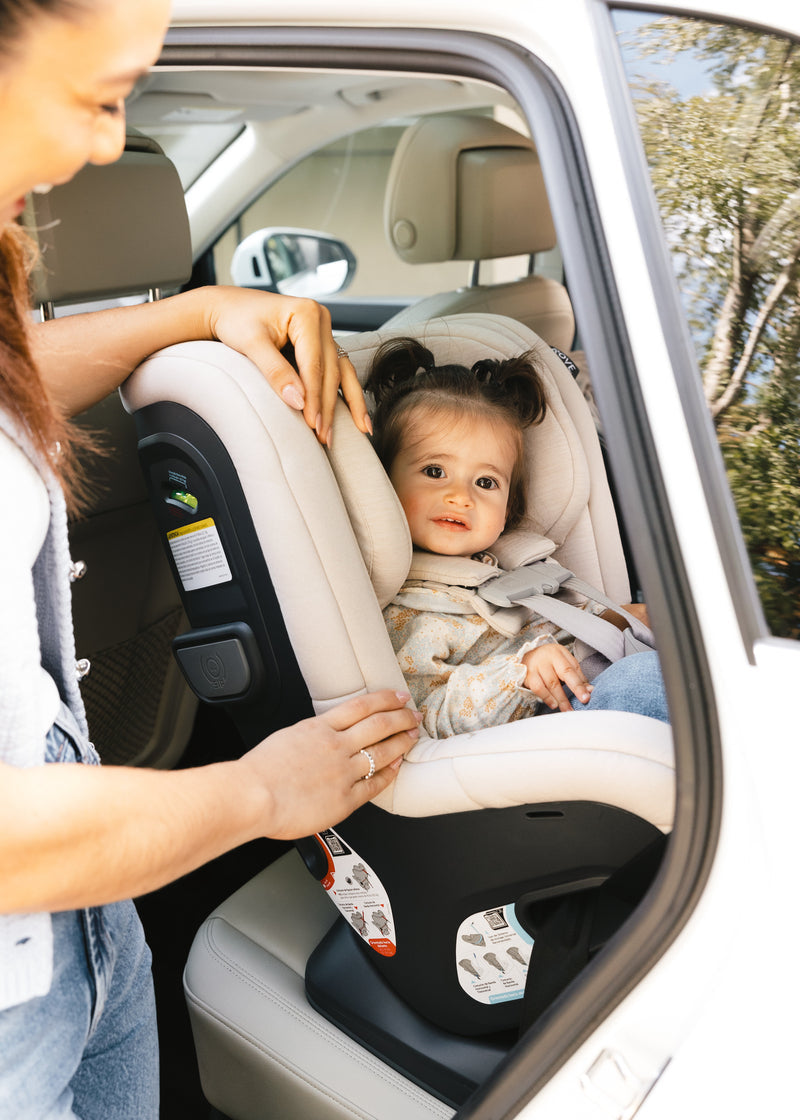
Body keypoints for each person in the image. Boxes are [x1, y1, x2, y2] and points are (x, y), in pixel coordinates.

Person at [0, 2, 420, 1117]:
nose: (105, 149)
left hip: (87, 929)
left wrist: (181, 314)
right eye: (100, 97)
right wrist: (256, 792)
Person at [364, 336, 668, 739]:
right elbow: (429, 713)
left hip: (594, 688)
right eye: (435, 471)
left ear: (509, 507)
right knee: (646, 681)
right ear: (385, 483)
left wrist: (617, 617)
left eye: (486, 482)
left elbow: (561, 629)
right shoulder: (408, 611)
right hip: (535, 732)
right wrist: (522, 674)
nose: (461, 496)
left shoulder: (517, 568)